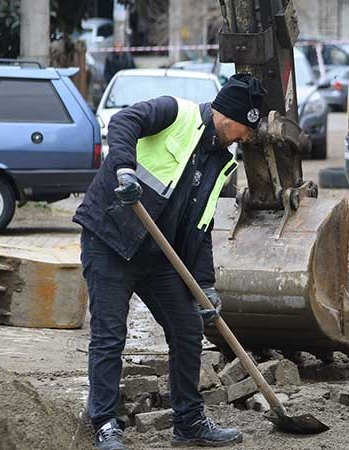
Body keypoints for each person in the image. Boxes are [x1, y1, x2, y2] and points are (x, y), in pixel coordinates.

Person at [73, 73, 265, 449]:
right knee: (110, 336)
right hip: (110, 238)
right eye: (245, 128)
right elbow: (124, 121)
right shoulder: (176, 113)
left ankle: (189, 422)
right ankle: (106, 425)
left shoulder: (220, 163)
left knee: (188, 328)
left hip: (158, 254)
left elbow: (201, 227)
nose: (246, 137)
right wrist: (124, 167)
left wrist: (205, 286)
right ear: (227, 115)